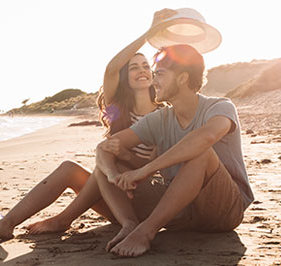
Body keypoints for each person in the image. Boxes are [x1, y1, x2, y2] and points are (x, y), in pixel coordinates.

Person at [0, 29, 160, 243]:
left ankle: (64, 219)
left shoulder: (162, 114)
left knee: (109, 164)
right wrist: (151, 32)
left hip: (138, 201)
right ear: (124, 77)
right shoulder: (118, 109)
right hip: (112, 198)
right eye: (133, 68)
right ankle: (5, 224)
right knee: (68, 169)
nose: (142, 71)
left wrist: (125, 157)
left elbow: (155, 168)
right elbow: (111, 70)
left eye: (146, 66)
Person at [94, 44, 254, 257]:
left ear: (182, 78)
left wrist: (147, 170)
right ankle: (130, 224)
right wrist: (114, 175)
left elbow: (205, 138)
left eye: (159, 74)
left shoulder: (220, 107)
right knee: (107, 167)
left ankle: (147, 231)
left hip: (222, 210)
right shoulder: (159, 118)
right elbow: (104, 148)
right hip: (178, 210)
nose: (153, 80)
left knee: (202, 153)